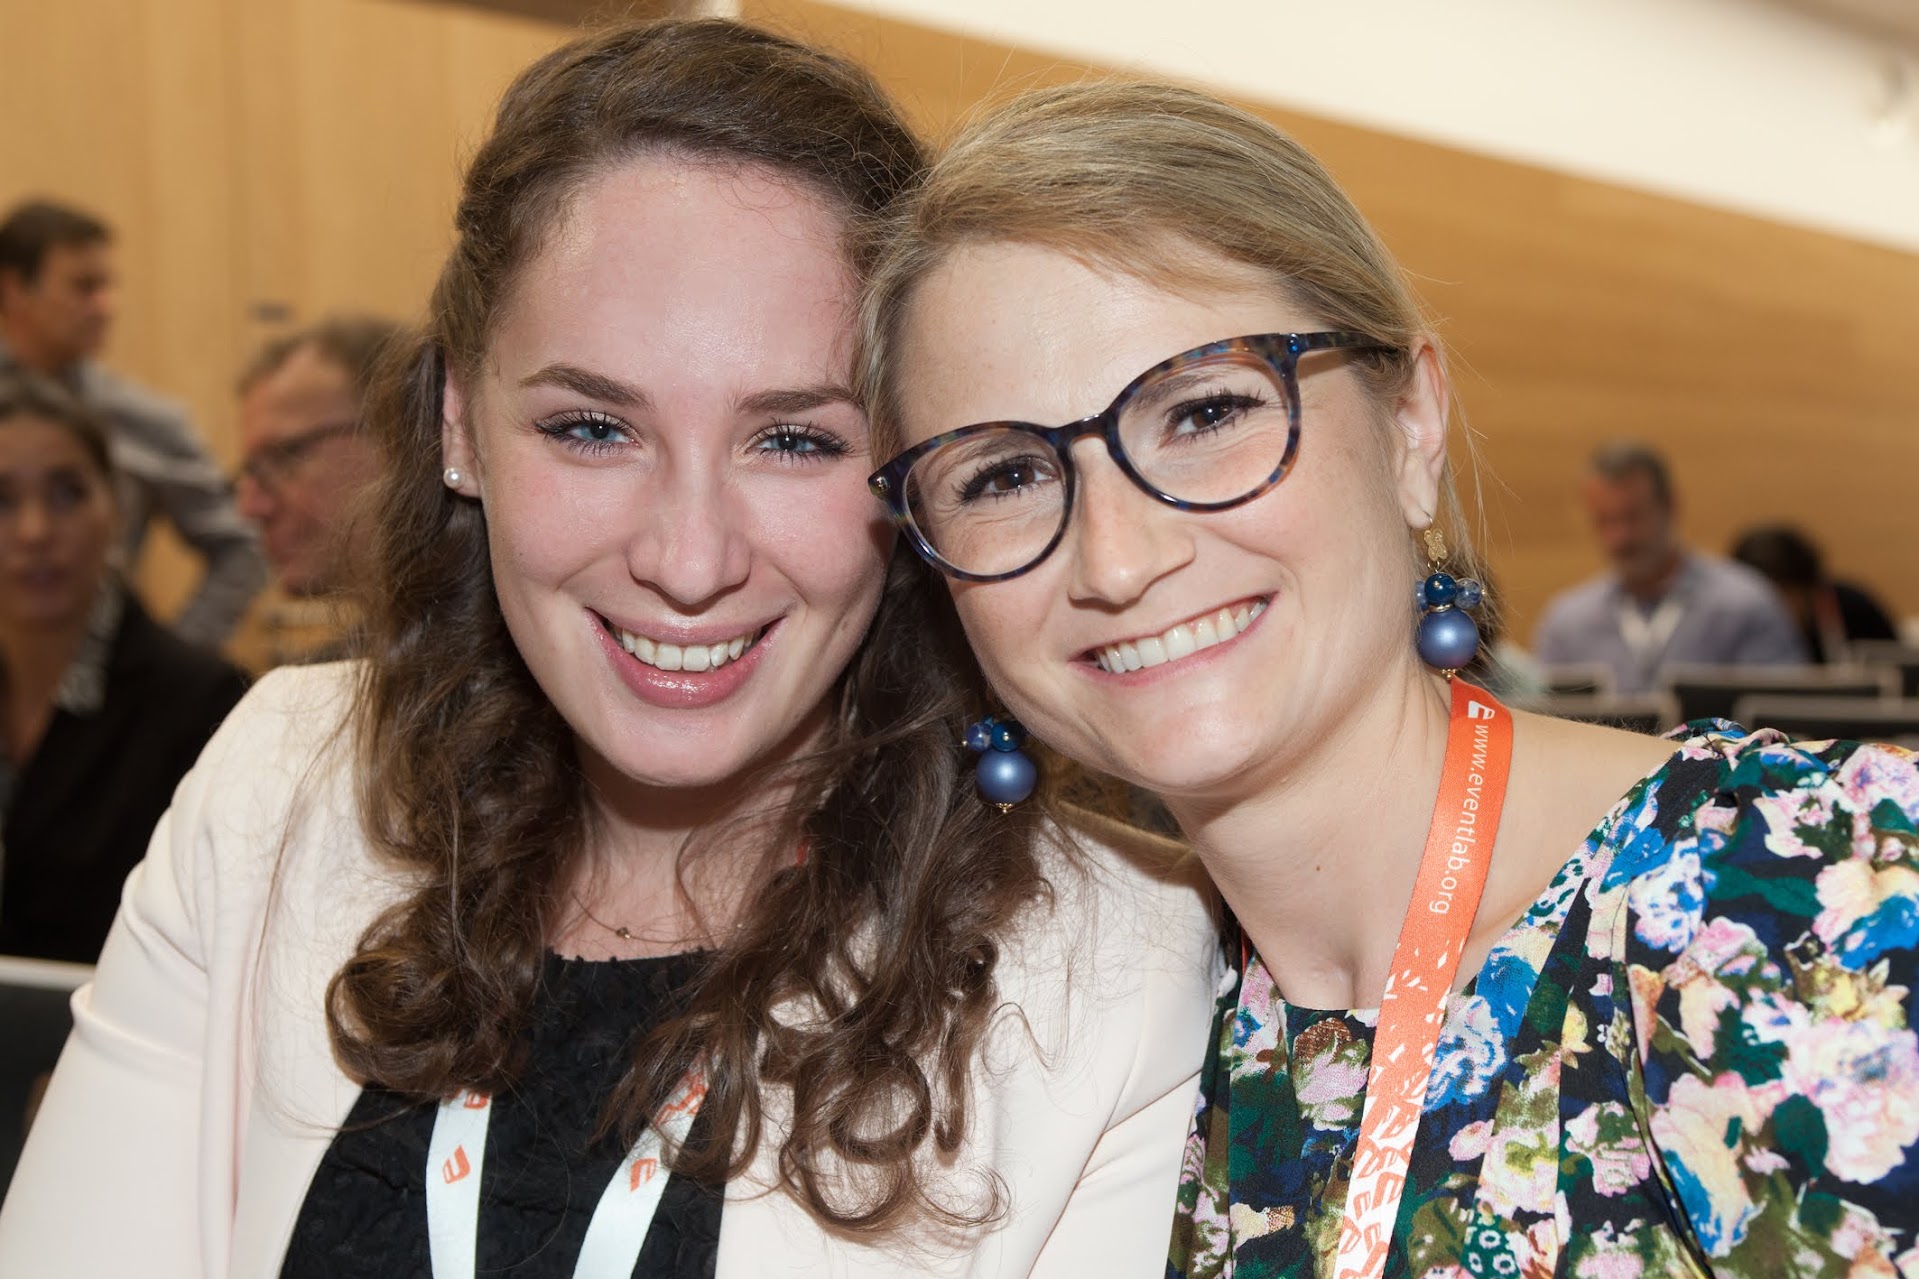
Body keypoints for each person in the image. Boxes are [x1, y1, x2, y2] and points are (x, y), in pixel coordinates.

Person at [0, 22, 1217, 1278]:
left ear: (910, 462)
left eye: (793, 440)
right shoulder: (278, 785)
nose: (687, 561)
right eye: (591, 427)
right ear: (460, 425)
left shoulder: (1122, 971)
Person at [863, 81, 1919, 1276]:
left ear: (1410, 423)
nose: (1116, 559)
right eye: (1001, 477)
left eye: (1203, 411)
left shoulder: (1804, 899)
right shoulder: (1111, 1020)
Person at [0, 377, 247, 963]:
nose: (35, 531)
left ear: (116, 509)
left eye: (66, 494)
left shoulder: (202, 705)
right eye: (2, 501)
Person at [0, 200, 266, 648]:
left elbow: (241, 545)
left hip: (93, 672)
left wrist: (174, 659)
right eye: (83, 287)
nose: (105, 305)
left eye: (108, 286)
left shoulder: (142, 420)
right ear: (14, 290)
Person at [1531, 443, 1804, 692]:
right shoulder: (1567, 623)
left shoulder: (1745, 605)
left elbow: (1777, 714)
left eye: (1632, 517)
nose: (1620, 538)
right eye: (1604, 521)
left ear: (1670, 506)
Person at [236, 317, 399, 662]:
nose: (251, 507)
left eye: (285, 456)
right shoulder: (329, 676)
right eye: (252, 472)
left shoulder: (504, 660)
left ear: (397, 435)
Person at [1730, 523, 1899, 664]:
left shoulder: (1854, 610)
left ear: (1810, 590)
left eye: (1780, 597)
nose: (1770, 610)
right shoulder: (1734, 626)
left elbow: (1899, 674)